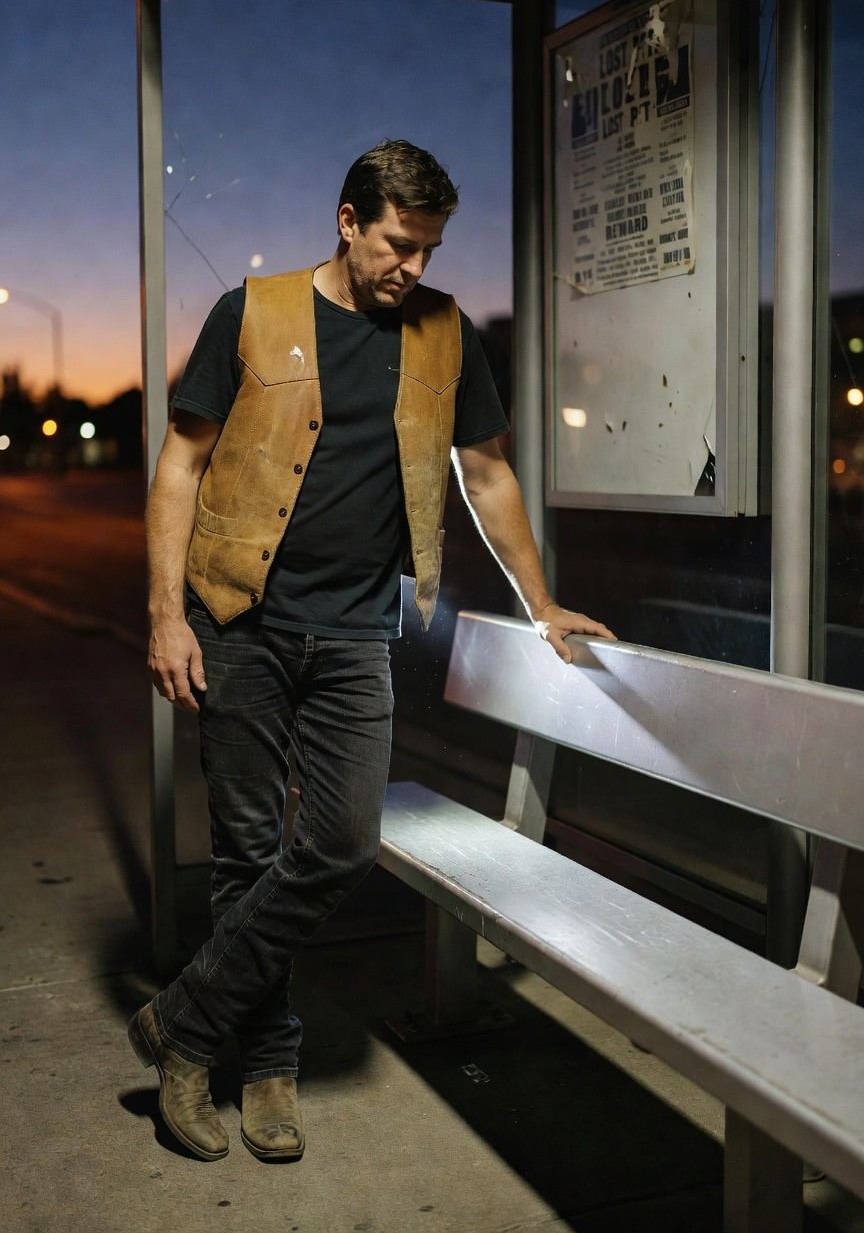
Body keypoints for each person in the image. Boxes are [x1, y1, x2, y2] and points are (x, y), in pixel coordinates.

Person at [130, 139, 614, 1164]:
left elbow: (487, 475)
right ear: (348, 221)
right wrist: (167, 616)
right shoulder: (250, 312)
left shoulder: (445, 333)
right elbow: (180, 465)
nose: (414, 268)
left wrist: (542, 602)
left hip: (355, 631)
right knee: (247, 853)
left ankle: (182, 1022)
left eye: (429, 249)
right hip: (240, 620)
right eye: (399, 244)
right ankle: (266, 1064)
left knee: (342, 845)